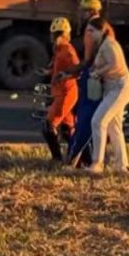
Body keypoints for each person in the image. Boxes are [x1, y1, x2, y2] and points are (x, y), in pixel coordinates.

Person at [60, 0, 113, 167]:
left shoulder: (91, 29)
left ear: (91, 11)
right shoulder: (107, 26)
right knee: (99, 121)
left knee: (85, 118)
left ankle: (77, 157)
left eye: (83, 11)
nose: (81, 14)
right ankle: (93, 158)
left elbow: (89, 60)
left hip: (94, 79)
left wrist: (70, 72)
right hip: (105, 78)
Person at [87, 17, 129, 174]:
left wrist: (97, 73)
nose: (89, 34)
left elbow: (115, 65)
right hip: (114, 87)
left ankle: (97, 163)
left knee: (98, 121)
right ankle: (122, 165)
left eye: (92, 31)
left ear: (101, 31)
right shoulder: (104, 44)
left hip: (120, 86)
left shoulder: (109, 44)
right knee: (114, 127)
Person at [43, 17, 79, 161]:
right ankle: (77, 156)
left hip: (66, 93)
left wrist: (65, 74)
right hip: (60, 93)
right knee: (67, 129)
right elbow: (58, 67)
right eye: (54, 34)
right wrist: (49, 72)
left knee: (48, 125)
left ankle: (57, 159)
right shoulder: (58, 49)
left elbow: (77, 69)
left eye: (58, 34)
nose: (54, 38)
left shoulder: (67, 50)